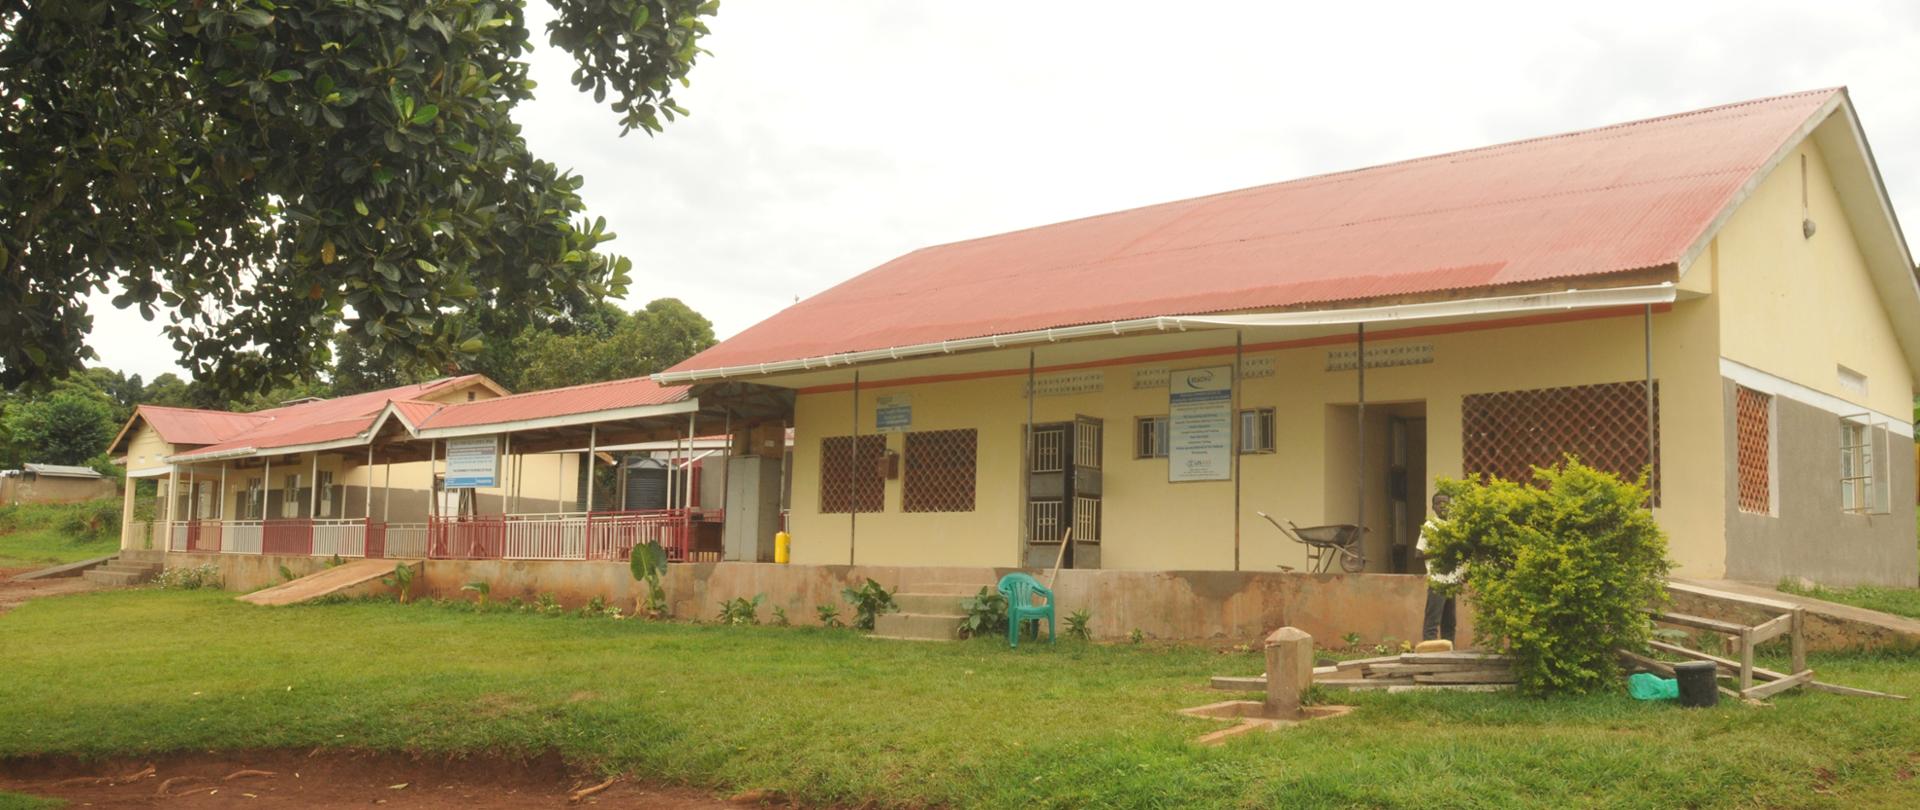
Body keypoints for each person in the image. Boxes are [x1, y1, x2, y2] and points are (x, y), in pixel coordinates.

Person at [1414, 492, 1458, 643]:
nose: (1442, 506)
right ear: (1433, 507)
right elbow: (1418, 553)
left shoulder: (1453, 527)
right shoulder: (1430, 526)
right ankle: (1428, 653)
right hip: (1437, 581)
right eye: (1439, 503)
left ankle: (1449, 653)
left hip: (1451, 581)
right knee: (1433, 620)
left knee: (1450, 623)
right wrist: (1440, 551)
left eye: (1445, 502)